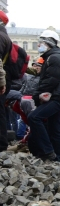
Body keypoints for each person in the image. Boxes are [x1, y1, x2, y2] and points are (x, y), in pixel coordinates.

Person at [28, 30, 60, 161]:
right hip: (58, 95)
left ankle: (47, 151)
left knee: (34, 117)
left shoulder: (54, 57)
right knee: (55, 129)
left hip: (56, 96)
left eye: (41, 42)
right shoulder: (53, 56)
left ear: (48, 43)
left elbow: (51, 80)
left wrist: (37, 94)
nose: (38, 45)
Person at [0, 11, 13, 151]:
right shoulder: (5, 36)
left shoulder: (0, 36)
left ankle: (1, 145)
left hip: (2, 81)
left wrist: (1, 82)